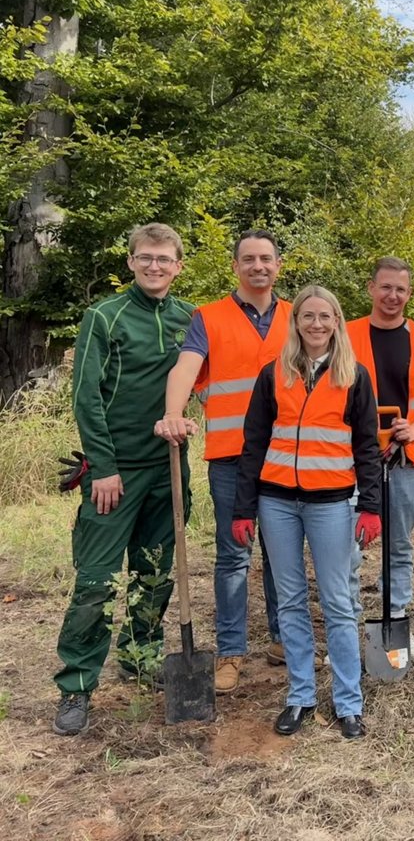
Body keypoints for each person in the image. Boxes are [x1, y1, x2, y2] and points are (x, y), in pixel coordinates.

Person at [52, 223, 196, 736]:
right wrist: (104, 467)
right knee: (95, 581)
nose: (155, 266)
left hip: (168, 470)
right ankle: (75, 685)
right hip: (117, 474)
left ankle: (140, 658)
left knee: (154, 572)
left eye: (165, 259)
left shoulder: (187, 320)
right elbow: (86, 397)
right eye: (146, 258)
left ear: (179, 265)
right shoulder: (104, 317)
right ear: (131, 261)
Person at [232, 286, 382, 740]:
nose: (316, 325)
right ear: (295, 322)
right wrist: (244, 508)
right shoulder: (272, 375)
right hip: (276, 502)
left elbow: (367, 447)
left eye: (325, 317)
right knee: (292, 602)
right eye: (308, 316)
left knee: (337, 602)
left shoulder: (354, 376)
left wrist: (371, 506)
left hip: (332, 505)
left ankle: (348, 703)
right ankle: (300, 696)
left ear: (336, 322)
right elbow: (253, 444)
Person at [154, 229, 289, 694]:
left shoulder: (299, 317)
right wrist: (174, 413)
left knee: (283, 552)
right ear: (235, 266)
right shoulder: (208, 318)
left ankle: (283, 639)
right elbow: (185, 368)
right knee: (234, 554)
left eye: (266, 259)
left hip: (289, 455)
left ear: (278, 265)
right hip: (232, 458)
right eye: (248, 259)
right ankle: (231, 653)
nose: (258, 266)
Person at [347, 257, 414, 662]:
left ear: (409, 293)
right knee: (348, 547)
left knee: (399, 543)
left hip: (405, 459)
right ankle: (349, 627)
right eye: (385, 287)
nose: (393, 296)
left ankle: (396, 618)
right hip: (353, 459)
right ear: (371, 288)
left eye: (401, 289)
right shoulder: (344, 333)